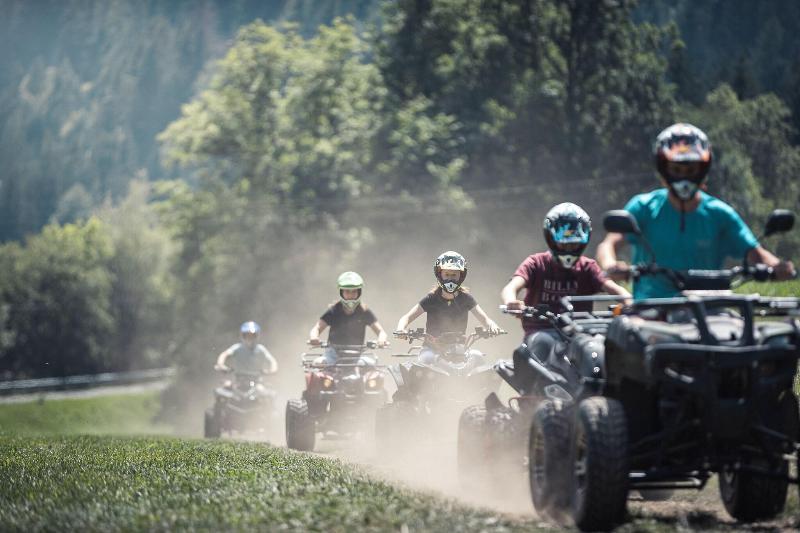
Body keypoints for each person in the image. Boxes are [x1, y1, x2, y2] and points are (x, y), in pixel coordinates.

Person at [596, 123, 795, 300]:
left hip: (709, 310)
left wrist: (778, 267)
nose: (684, 177)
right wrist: (611, 265)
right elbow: (608, 244)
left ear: (703, 170)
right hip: (650, 310)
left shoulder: (720, 214)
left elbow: (756, 254)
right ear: (663, 169)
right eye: (676, 169)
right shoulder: (643, 207)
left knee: (744, 328)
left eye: (691, 170)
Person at [500, 203, 629, 387]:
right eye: (564, 243)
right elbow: (511, 287)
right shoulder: (537, 263)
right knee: (543, 343)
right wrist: (511, 301)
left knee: (601, 347)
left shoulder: (587, 267)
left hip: (579, 333)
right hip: (542, 330)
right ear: (551, 239)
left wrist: (631, 302)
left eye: (574, 243)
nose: (569, 248)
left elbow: (613, 288)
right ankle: (532, 396)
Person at [396, 251, 501, 368]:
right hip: (432, 349)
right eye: (447, 274)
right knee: (427, 359)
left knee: (477, 357)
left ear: (461, 276)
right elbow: (406, 318)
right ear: (439, 275)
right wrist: (401, 329)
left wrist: (492, 326)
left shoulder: (466, 299)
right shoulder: (431, 299)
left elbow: (485, 319)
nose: (450, 279)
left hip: (460, 351)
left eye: (454, 275)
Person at [308, 271, 389, 365]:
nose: (351, 295)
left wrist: (381, 339)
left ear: (359, 292)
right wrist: (314, 337)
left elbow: (381, 331)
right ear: (341, 292)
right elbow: (317, 328)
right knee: (319, 363)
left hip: (356, 356)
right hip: (333, 355)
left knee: (373, 367)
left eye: (354, 291)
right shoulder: (334, 310)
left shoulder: (364, 311)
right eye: (347, 291)